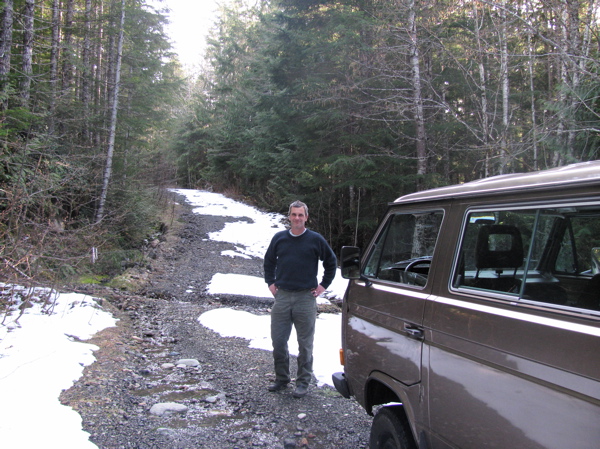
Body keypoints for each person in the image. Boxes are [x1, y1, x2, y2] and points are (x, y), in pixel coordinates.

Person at [264, 200, 337, 398]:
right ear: (289, 216)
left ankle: (303, 382)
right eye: (294, 214)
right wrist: (270, 283)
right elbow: (268, 262)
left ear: (306, 217)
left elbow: (331, 262)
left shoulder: (315, 239)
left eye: (301, 215)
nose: (297, 218)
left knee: (305, 344)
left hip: (306, 298)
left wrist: (323, 286)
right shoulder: (279, 238)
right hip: (282, 297)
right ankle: (282, 378)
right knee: (279, 341)